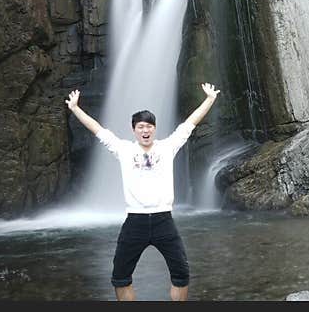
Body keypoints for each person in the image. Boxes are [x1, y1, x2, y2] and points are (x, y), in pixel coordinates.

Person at [66, 83, 221, 301]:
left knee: (181, 273)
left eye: (149, 126)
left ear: (154, 129)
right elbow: (97, 129)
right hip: (135, 221)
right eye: (140, 127)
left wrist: (210, 99)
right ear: (134, 130)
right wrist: (74, 108)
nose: (145, 131)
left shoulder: (167, 147)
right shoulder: (124, 149)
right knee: (120, 276)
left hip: (164, 220)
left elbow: (190, 123)